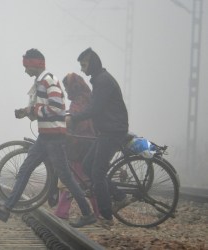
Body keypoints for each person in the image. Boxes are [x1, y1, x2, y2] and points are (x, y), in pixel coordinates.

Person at [0, 48, 96, 227]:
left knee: (65, 177)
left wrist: (32, 110)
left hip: (55, 138)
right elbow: (46, 109)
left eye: (27, 66)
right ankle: (6, 209)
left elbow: (57, 108)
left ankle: (88, 213)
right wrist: (26, 112)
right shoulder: (41, 81)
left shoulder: (49, 80)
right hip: (46, 137)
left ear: (36, 64)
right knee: (25, 170)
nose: (25, 70)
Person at [66, 48, 129, 228]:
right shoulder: (100, 80)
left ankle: (106, 216)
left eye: (84, 65)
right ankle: (120, 196)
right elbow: (93, 108)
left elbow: (95, 109)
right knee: (87, 165)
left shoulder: (103, 82)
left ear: (92, 63)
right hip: (107, 131)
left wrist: (73, 118)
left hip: (113, 131)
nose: (82, 69)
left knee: (97, 173)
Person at [54, 72, 99, 220]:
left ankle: (62, 212)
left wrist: (66, 123)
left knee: (76, 179)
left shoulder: (81, 100)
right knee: (84, 180)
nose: (66, 91)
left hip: (82, 145)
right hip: (82, 144)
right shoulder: (85, 98)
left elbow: (81, 121)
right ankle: (99, 213)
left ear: (74, 86)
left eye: (67, 88)